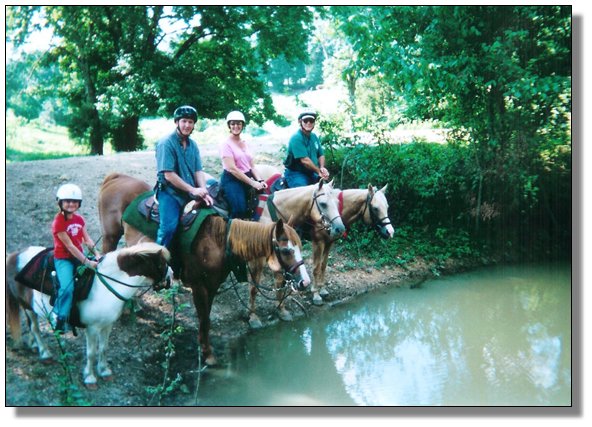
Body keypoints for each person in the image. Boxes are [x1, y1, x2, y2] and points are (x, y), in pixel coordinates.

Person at [155, 105, 213, 249]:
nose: (187, 125)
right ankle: (157, 256)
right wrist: (193, 190)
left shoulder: (193, 145)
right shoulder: (166, 143)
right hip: (170, 192)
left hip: (190, 190)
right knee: (168, 228)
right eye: (184, 121)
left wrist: (203, 190)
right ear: (177, 122)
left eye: (190, 122)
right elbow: (169, 175)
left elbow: (198, 171)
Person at [51, 183, 101, 333]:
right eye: (67, 201)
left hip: (79, 255)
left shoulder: (79, 219)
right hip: (64, 258)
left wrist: (97, 254)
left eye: (74, 201)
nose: (71, 204)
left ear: (79, 203)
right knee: (67, 287)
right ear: (60, 202)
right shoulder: (58, 222)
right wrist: (87, 262)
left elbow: (87, 239)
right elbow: (70, 247)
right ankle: (59, 317)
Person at [219, 111, 267, 219]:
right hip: (232, 179)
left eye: (239, 123)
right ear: (229, 126)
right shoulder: (225, 144)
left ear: (243, 125)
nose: (236, 126)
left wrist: (260, 180)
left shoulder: (245, 142)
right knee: (239, 209)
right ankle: (231, 227)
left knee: (264, 199)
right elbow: (232, 169)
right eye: (233, 124)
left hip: (247, 176)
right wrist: (252, 183)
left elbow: (252, 166)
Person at [283, 110, 330, 188]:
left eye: (311, 120)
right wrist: (318, 171)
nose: (308, 123)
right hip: (296, 173)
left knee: (325, 189)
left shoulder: (314, 136)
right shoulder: (296, 138)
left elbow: (321, 154)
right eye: (305, 120)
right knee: (303, 191)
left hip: (312, 172)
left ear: (314, 122)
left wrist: (322, 167)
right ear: (300, 122)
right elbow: (305, 160)